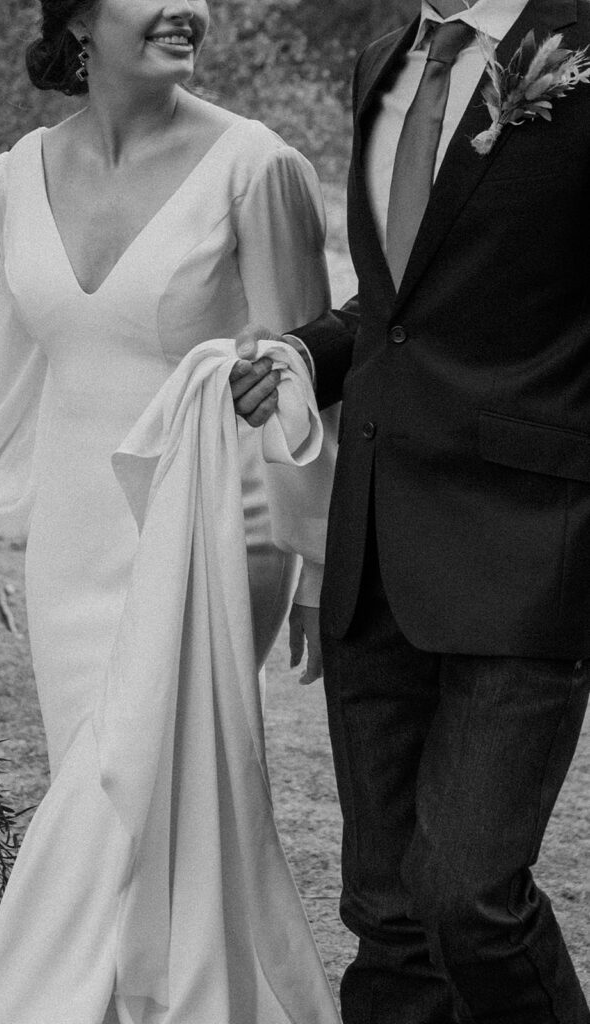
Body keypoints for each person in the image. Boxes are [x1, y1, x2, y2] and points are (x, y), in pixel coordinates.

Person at [0, 1, 341, 1021]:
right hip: (71, 537)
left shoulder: (255, 163)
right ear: (79, 21)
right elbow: (18, 368)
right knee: (102, 802)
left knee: (129, 790)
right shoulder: (20, 171)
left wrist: (321, 561)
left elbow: (310, 380)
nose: (186, 5)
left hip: (213, 529)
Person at [232, 0, 590, 1021]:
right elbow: (396, 307)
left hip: (527, 543)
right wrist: (307, 351)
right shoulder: (382, 62)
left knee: (467, 899)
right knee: (387, 913)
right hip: (376, 537)